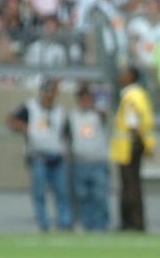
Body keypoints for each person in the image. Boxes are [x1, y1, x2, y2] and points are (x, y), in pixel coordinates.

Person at [8, 78, 72, 233]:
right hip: (38, 156)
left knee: (62, 192)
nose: (52, 95)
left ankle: (64, 224)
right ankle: (43, 224)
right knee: (39, 193)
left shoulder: (60, 111)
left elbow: (66, 133)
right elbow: (12, 120)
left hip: (56, 156)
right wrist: (27, 129)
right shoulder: (30, 107)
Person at [110, 65, 155, 232]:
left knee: (130, 185)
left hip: (130, 145)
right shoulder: (140, 95)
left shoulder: (129, 96)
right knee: (132, 184)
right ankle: (135, 221)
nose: (120, 76)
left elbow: (132, 122)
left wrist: (140, 142)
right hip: (136, 144)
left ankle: (133, 222)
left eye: (124, 73)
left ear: (131, 76)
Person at [68, 84, 111, 232]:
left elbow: (106, 97)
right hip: (80, 162)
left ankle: (101, 227)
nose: (85, 102)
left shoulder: (98, 115)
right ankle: (86, 226)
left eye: (87, 98)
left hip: (97, 162)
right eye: (82, 99)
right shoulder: (73, 116)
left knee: (100, 197)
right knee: (82, 197)